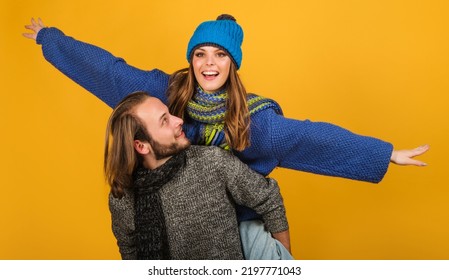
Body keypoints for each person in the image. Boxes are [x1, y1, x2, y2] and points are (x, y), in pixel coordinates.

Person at [23, 15, 429, 258]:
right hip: (184, 228)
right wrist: (51, 40)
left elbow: (310, 138)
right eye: (200, 54)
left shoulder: (253, 122)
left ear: (232, 64)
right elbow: (109, 71)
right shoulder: (167, 94)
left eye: (219, 55)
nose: (209, 63)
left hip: (240, 228)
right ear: (191, 59)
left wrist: (385, 153)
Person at [105, 91, 289, 260]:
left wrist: (285, 262)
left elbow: (268, 198)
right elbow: (130, 253)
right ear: (141, 146)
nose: (178, 120)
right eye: (164, 121)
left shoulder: (212, 161)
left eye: (170, 113)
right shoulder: (122, 198)